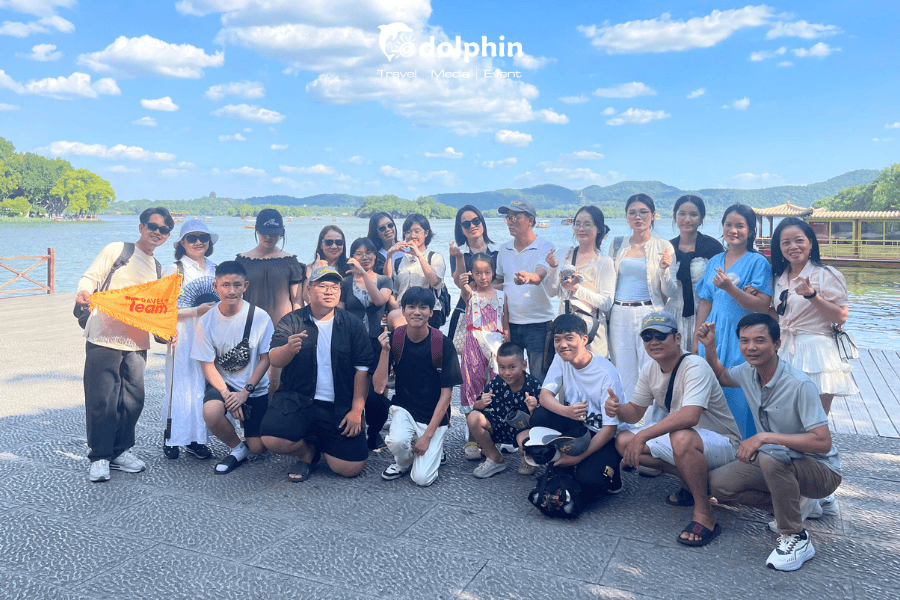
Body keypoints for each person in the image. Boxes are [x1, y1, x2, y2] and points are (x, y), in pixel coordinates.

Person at [701, 314, 842, 571]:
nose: (751, 347)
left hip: (821, 470)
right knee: (719, 485)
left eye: (759, 340)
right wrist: (710, 348)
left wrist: (764, 437)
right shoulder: (747, 372)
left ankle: (796, 536)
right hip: (778, 460)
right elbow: (722, 376)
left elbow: (822, 442)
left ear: (777, 344)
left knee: (770, 455)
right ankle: (796, 506)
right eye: (744, 341)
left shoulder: (799, 384)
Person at [607, 311, 741, 547]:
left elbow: (690, 416)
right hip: (688, 441)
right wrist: (617, 408)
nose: (653, 341)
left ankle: (704, 512)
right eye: (647, 336)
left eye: (660, 335)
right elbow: (635, 412)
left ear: (678, 339)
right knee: (623, 441)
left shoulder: (695, 366)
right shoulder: (650, 369)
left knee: (680, 438)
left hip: (723, 443)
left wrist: (644, 435)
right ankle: (690, 482)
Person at [76, 207, 174, 482]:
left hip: (136, 341)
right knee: (102, 398)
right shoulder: (118, 250)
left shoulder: (156, 268)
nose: (157, 232)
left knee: (133, 399)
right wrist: (84, 291)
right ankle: (99, 456)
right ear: (141, 227)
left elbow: (153, 309)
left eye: (164, 230)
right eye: (153, 226)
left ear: (167, 236)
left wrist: (163, 331)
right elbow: (91, 277)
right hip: (103, 335)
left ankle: (120, 451)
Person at [259, 266, 374, 482]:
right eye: (322, 286)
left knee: (350, 467)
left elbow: (363, 370)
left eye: (335, 287)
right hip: (298, 400)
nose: (329, 291)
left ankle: (323, 440)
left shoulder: (352, 324)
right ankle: (307, 452)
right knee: (271, 439)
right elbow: (274, 359)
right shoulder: (292, 321)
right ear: (309, 291)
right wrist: (288, 349)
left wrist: (357, 411)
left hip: (338, 405)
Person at [756, 217, 858, 414]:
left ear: (810, 243)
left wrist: (812, 296)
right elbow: (781, 318)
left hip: (816, 353)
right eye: (786, 242)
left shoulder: (826, 274)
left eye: (799, 240)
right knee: (784, 417)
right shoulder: (778, 278)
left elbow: (841, 316)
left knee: (815, 418)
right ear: (779, 248)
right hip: (784, 350)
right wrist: (756, 299)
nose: (793, 246)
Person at [695, 204, 772, 439]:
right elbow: (706, 301)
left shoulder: (757, 262)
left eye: (740, 226)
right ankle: (711, 446)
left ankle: (744, 447)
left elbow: (762, 306)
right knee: (708, 392)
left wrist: (730, 287)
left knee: (740, 393)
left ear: (751, 231)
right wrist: (696, 338)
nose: (733, 230)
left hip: (742, 338)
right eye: (728, 225)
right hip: (712, 335)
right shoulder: (715, 261)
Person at [374, 287, 463, 486]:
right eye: (411, 307)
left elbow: (446, 396)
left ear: (431, 312)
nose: (417, 312)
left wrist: (427, 437)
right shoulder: (395, 339)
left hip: (433, 413)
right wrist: (385, 352)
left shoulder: (442, 344)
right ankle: (403, 463)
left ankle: (435, 447)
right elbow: (379, 388)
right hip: (404, 407)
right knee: (396, 441)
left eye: (423, 307)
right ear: (403, 311)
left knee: (422, 479)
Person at [530, 314, 625, 501]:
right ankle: (565, 460)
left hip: (603, 436)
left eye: (569, 338)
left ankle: (609, 472)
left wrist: (578, 458)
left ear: (584, 340)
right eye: (557, 340)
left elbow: (610, 429)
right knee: (539, 417)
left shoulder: (606, 374)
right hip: (578, 428)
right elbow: (544, 396)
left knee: (590, 480)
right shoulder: (561, 359)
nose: (563, 345)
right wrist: (566, 411)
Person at [192, 261, 274, 474]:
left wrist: (245, 393)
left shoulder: (260, 317)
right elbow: (207, 364)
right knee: (211, 412)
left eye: (237, 285)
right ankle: (237, 447)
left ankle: (250, 437)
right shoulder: (206, 321)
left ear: (245, 286)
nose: (231, 291)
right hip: (224, 383)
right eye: (225, 285)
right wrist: (227, 395)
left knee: (259, 448)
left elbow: (266, 359)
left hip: (253, 386)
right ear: (215, 286)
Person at [609, 194, 677, 406]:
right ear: (626, 217)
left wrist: (665, 271)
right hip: (619, 313)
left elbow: (671, 291)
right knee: (623, 369)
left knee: (652, 367)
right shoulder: (617, 244)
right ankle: (628, 418)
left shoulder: (664, 246)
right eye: (632, 213)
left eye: (643, 212)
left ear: (653, 215)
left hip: (649, 313)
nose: (638, 217)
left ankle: (654, 419)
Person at [161, 219, 218, 460]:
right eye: (192, 238)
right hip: (182, 333)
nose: (198, 242)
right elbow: (163, 308)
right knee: (179, 385)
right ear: (182, 243)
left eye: (203, 238)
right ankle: (172, 435)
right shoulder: (174, 270)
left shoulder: (216, 269)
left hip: (209, 334)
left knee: (203, 385)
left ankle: (197, 439)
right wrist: (196, 311)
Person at [235, 208, 306, 397]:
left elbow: (297, 299)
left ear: (281, 233)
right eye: (264, 232)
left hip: (281, 328)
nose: (269, 237)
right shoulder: (242, 261)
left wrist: (297, 327)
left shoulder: (290, 262)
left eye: (274, 233)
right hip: (250, 326)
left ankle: (272, 413)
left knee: (275, 380)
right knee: (247, 378)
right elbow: (235, 296)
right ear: (257, 231)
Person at [338, 237, 394, 449]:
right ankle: (354, 426)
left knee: (376, 392)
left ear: (375, 256)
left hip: (377, 342)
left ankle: (374, 430)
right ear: (352, 257)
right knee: (350, 386)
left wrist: (363, 274)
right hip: (352, 342)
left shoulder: (385, 280)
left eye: (369, 252)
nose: (365, 257)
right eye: (359, 253)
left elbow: (380, 300)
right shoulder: (345, 282)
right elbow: (340, 313)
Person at [494, 199, 557, 382]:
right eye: (508, 218)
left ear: (530, 220)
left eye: (516, 217)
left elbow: (540, 274)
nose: (511, 222)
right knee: (511, 377)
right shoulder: (503, 249)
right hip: (510, 323)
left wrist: (528, 277)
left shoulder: (545, 246)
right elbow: (500, 281)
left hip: (539, 323)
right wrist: (478, 288)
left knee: (539, 377)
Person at [459, 253, 509, 459]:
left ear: (493, 272)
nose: (483, 277)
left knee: (496, 389)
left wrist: (506, 349)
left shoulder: (502, 296)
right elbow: (463, 289)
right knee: (472, 388)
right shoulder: (471, 294)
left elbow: (505, 325)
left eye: (487, 272)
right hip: (474, 347)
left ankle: (494, 434)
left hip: (496, 347)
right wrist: (460, 269)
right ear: (472, 274)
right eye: (478, 273)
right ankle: (472, 438)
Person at [466, 342, 541, 478]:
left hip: (523, 429)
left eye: (512, 367)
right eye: (502, 367)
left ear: (524, 365)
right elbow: (475, 406)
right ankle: (494, 457)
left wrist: (533, 409)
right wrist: (482, 403)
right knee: (473, 417)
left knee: (526, 441)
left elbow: (543, 421)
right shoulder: (497, 382)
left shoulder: (533, 385)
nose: (507, 373)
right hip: (500, 426)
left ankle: (528, 457)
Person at [550, 205, 616, 358]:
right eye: (577, 224)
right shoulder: (563, 255)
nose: (581, 229)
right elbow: (551, 292)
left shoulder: (604, 262)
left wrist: (577, 289)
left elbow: (606, 303)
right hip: (566, 331)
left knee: (593, 370)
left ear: (598, 228)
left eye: (587, 224)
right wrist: (553, 269)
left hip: (592, 331)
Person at [664, 196, 724, 353]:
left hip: (705, 314)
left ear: (701, 218)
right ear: (674, 217)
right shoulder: (668, 248)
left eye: (693, 214)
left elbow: (719, 286)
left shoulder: (713, 248)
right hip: (674, 314)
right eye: (682, 214)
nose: (687, 219)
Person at [384, 213, 447, 328]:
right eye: (408, 232)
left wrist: (419, 255)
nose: (412, 236)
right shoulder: (398, 262)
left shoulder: (435, 257)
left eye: (417, 231)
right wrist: (389, 255)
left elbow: (435, 282)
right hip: (403, 312)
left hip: (428, 312)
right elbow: (389, 285)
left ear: (426, 233)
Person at [447, 204, 497, 343]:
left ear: (482, 222)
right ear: (461, 229)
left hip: (493, 307)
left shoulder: (497, 250)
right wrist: (459, 258)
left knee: (493, 352)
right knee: (460, 350)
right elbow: (459, 283)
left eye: (476, 221)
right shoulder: (459, 252)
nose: (472, 226)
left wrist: (482, 286)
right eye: (466, 224)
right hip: (466, 306)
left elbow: (504, 281)